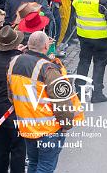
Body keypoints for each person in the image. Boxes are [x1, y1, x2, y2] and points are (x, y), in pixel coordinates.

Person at [7, 31, 83, 172]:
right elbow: (62, 102)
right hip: (48, 129)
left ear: (28, 45)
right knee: (46, 166)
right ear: (46, 46)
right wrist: (66, 124)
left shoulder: (14, 62)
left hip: (27, 127)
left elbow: (11, 96)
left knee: (33, 163)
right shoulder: (48, 69)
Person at [73, 0, 107, 103]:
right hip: (101, 38)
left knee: (83, 62)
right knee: (99, 64)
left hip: (84, 36)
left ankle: (79, 92)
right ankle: (97, 94)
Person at [0, 25, 27, 173]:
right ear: (15, 43)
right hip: (18, 111)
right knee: (18, 151)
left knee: (1, 149)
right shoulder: (21, 61)